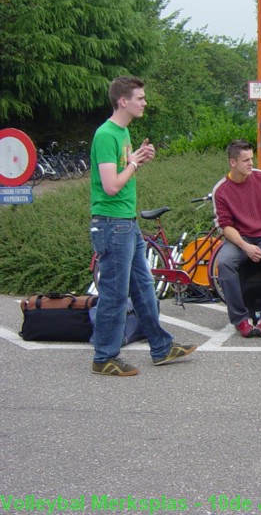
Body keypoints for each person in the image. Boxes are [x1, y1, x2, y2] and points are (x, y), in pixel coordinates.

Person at [89, 76, 196, 376]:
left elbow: (121, 177)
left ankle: (161, 347)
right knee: (114, 294)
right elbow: (110, 186)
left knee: (143, 286)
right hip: (112, 224)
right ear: (123, 101)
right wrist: (134, 163)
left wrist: (138, 161)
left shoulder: (122, 133)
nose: (144, 102)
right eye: (140, 97)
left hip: (126, 223)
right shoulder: (107, 135)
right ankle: (104, 357)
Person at [211, 139, 261, 338]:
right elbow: (225, 226)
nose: (251, 164)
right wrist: (245, 247)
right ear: (232, 162)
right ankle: (240, 320)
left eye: (251, 159)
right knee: (224, 264)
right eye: (245, 160)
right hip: (239, 237)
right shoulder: (221, 190)